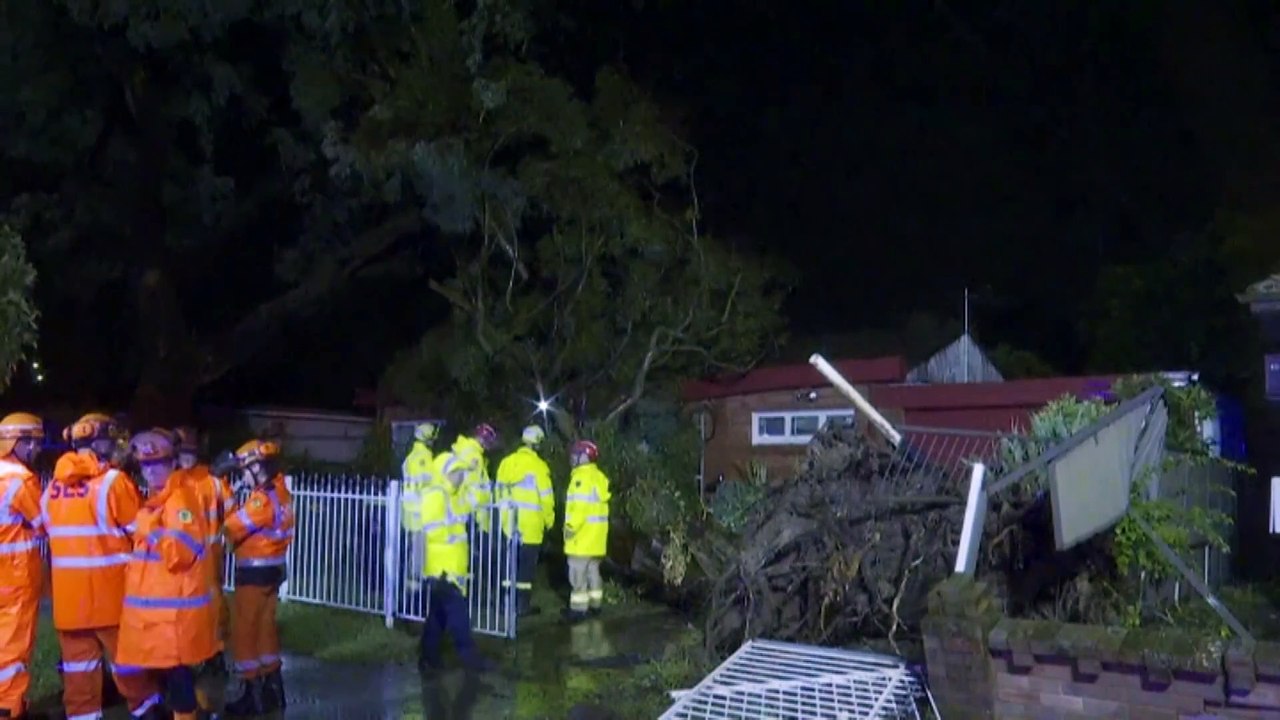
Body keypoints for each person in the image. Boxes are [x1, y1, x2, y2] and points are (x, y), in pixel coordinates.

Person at [42, 412, 157, 719]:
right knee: (131, 668)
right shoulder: (113, 482)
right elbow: (144, 535)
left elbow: (48, 529)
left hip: (69, 604)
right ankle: (147, 712)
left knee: (79, 679)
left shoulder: (52, 488)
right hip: (112, 598)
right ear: (99, 442)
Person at [114, 431, 219, 720]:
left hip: (174, 617)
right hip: (157, 616)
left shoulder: (179, 500)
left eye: (156, 464)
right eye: (145, 465)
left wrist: (152, 530)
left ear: (172, 463)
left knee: (178, 684)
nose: (150, 471)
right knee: (154, 677)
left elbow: (181, 553)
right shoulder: (159, 500)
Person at [223, 439, 294, 716]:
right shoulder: (281, 493)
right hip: (273, 572)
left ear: (257, 468)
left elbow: (229, 529)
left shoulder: (260, 501)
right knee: (266, 630)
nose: (243, 476)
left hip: (253, 573)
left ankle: (251, 695)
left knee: (244, 632)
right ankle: (273, 689)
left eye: (244, 471)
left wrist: (223, 488)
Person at [411, 452, 492, 674]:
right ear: (444, 473)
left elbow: (477, 502)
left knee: (437, 618)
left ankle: (428, 659)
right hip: (443, 570)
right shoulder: (435, 495)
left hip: (451, 569)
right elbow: (431, 530)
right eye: (456, 473)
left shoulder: (454, 496)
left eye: (460, 473)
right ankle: (470, 660)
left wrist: (476, 474)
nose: (460, 477)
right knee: (458, 619)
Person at [172, 426, 236, 656]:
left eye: (190, 452)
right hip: (180, 553)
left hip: (209, 553)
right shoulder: (173, 481)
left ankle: (216, 649)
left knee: (212, 601)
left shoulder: (213, 481)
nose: (186, 457)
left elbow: (231, 511)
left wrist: (226, 536)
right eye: (182, 453)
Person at [0, 413, 45, 719]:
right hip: (14, 576)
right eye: (35, 442)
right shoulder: (20, 480)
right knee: (13, 646)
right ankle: (9, 708)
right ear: (21, 442)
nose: (37, 450)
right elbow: (44, 524)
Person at [493, 425, 555, 617]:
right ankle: (521, 606)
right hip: (530, 527)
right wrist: (549, 521)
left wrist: (502, 518)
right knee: (525, 569)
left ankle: (505, 604)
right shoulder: (539, 467)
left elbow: (497, 492)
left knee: (507, 566)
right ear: (537, 445)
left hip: (508, 525)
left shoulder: (506, 463)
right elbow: (546, 498)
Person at [562, 440, 610, 622]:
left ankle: (578, 610)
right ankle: (596, 605)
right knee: (593, 573)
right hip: (596, 540)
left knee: (577, 575)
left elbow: (579, 509)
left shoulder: (580, 478)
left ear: (585, 457)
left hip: (581, 539)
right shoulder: (599, 478)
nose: (573, 457)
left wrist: (570, 529)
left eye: (576, 454)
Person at [452, 424, 499, 608]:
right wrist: (477, 510)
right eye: (488, 441)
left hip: (467, 515)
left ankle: (472, 597)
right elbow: (474, 489)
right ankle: (476, 599)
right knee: (477, 561)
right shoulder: (473, 456)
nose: (489, 445)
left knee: (472, 560)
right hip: (473, 516)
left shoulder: (466, 451)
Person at [400, 422, 439, 596]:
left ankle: (413, 592)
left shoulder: (410, 457)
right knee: (418, 557)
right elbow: (429, 486)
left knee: (413, 555)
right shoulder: (425, 458)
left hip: (409, 513)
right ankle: (415, 596)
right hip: (420, 514)